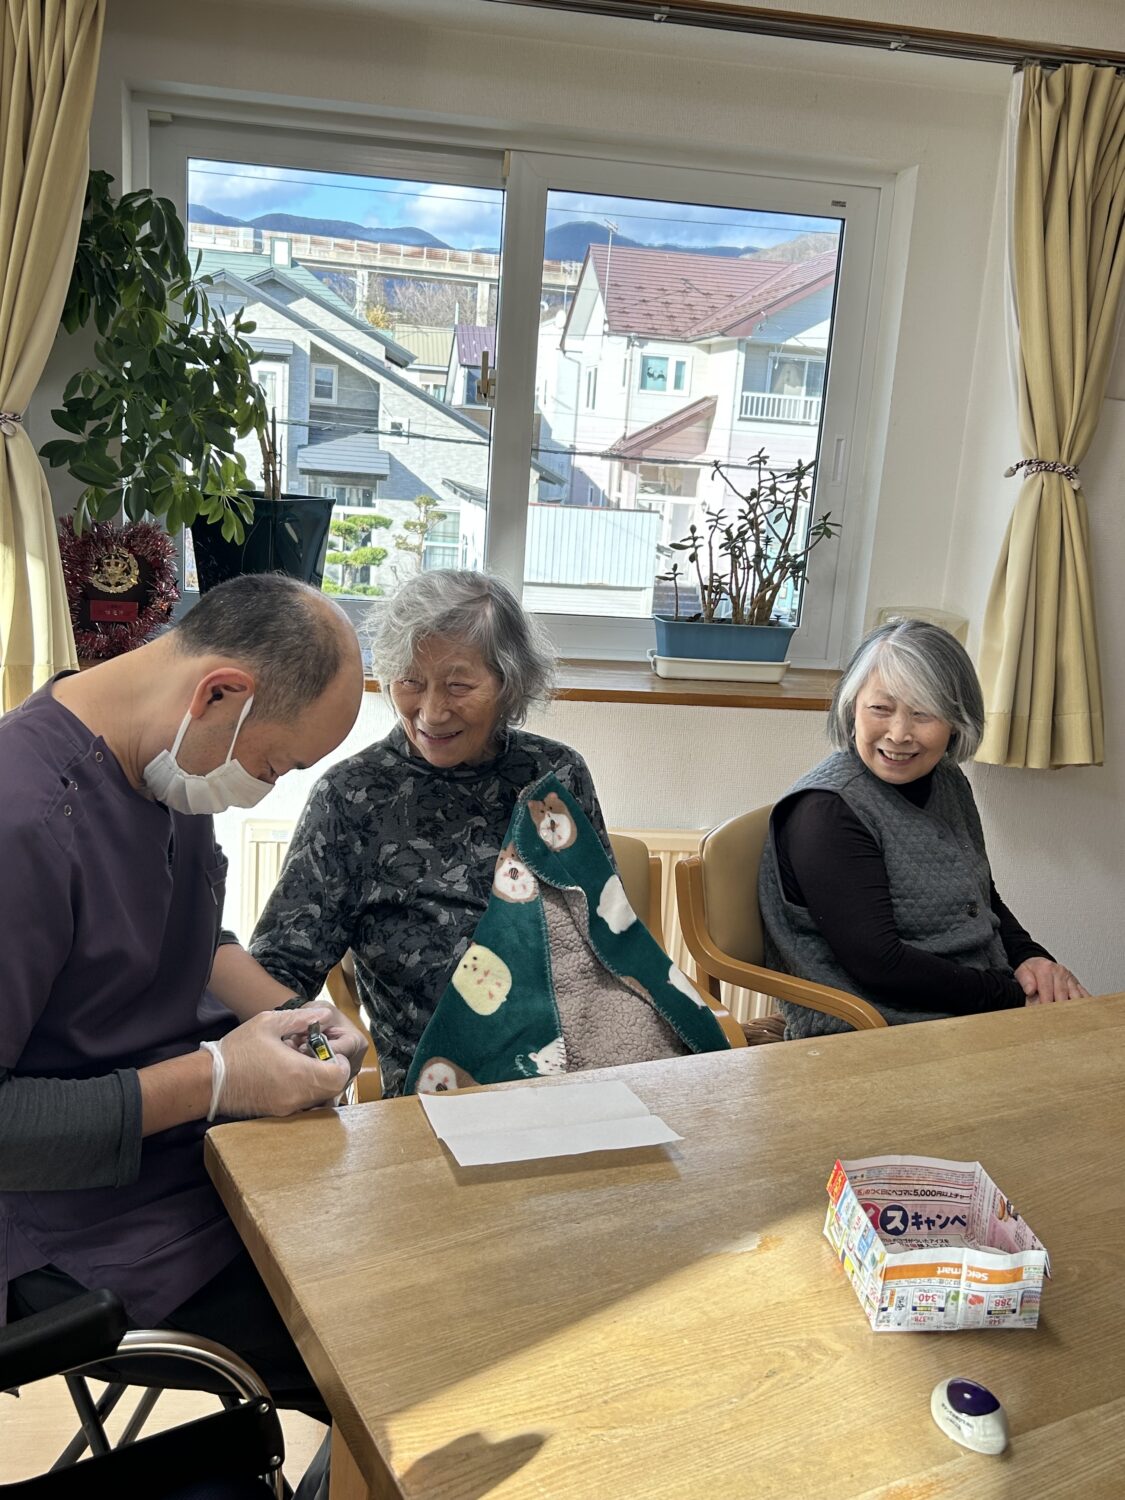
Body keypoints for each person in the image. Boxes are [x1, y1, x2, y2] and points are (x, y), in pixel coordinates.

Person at [0, 574, 369, 1450]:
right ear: (220, 694)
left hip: (186, 1158)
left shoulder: (159, 763)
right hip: (68, 1219)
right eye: (274, 767)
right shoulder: (22, 823)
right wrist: (217, 1078)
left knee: (412, 1248)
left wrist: (295, 1015)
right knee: (383, 1344)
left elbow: (188, 933)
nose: (265, 788)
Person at [250, 569, 614, 1097]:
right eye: (410, 682)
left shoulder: (555, 776)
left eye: (459, 686)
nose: (432, 712)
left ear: (509, 683)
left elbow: (605, 933)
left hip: (577, 1070)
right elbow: (282, 963)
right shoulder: (354, 795)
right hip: (437, 1088)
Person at [758, 618, 1088, 1038]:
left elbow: (980, 895)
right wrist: (1012, 997)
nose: (899, 734)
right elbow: (880, 965)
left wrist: (1031, 959)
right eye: (881, 709)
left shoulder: (946, 779)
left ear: (957, 720)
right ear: (852, 707)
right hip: (875, 1024)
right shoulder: (827, 812)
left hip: (966, 999)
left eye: (923, 713)